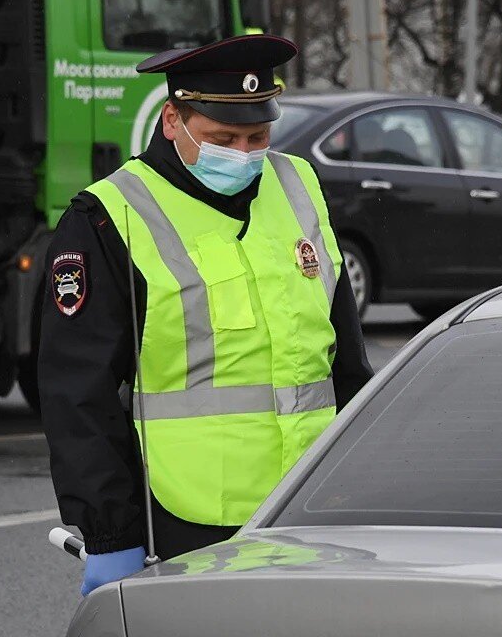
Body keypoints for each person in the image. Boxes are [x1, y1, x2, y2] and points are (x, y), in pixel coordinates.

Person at [38, 35, 373, 596]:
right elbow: (79, 393)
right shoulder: (108, 217)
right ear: (173, 120)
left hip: (312, 504)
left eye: (257, 136)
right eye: (223, 138)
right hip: (194, 519)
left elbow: (347, 359)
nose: (243, 153)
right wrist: (110, 532)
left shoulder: (299, 185)